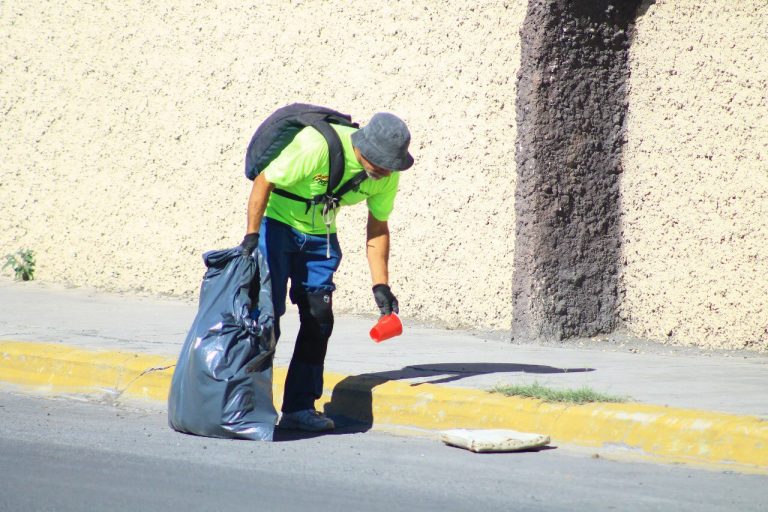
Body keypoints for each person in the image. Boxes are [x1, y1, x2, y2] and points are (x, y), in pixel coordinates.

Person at [240, 112, 414, 431]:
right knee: (266, 317)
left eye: (391, 164)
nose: (386, 171)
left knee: (320, 318)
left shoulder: (387, 174)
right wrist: (252, 236)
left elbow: (377, 226)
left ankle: (299, 407)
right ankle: (248, 404)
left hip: (321, 236)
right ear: (363, 147)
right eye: (380, 163)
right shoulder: (316, 147)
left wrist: (381, 285)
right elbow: (265, 179)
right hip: (277, 226)